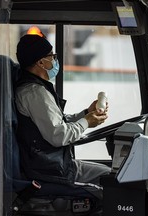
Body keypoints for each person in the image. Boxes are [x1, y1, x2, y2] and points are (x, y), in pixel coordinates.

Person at [14, 34, 110, 198]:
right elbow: (59, 135)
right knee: (112, 191)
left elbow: (57, 121)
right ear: (41, 62)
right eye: (52, 56)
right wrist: (86, 122)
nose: (55, 60)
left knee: (111, 175)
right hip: (51, 171)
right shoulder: (34, 93)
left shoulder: (38, 89)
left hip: (58, 164)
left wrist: (86, 113)